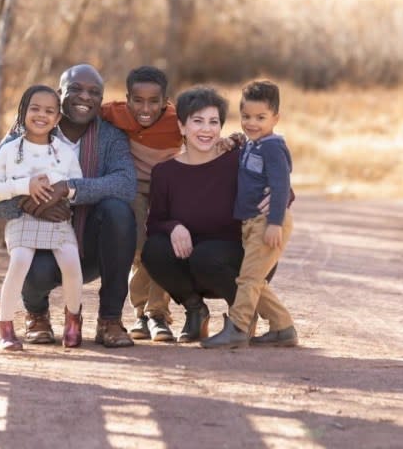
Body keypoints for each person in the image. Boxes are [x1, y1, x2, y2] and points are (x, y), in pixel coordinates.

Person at [0, 64, 137, 349]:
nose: (85, 97)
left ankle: (110, 320)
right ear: (60, 95)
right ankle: (36, 315)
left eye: (94, 92)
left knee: (118, 211)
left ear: (101, 100)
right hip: (38, 245)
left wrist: (69, 189)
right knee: (28, 264)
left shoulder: (110, 137)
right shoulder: (21, 137)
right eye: (75, 89)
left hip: (87, 245)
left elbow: (125, 185)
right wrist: (29, 203)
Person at [141, 86, 246, 343]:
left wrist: (274, 200)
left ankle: (243, 315)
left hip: (232, 260)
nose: (206, 130)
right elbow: (155, 223)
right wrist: (174, 226)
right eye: (197, 121)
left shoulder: (237, 161)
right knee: (153, 249)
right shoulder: (165, 173)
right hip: (188, 263)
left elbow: (280, 189)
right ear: (182, 127)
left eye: (213, 122)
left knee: (205, 256)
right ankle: (195, 311)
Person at [0, 85, 84, 352]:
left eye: (49, 111)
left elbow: (78, 184)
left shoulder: (64, 152)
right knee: (19, 261)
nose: (41, 115)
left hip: (57, 219)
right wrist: (23, 186)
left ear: (58, 118)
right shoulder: (9, 150)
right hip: (22, 219)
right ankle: (4, 326)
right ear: (23, 112)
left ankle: (73, 320)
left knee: (72, 263)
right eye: (35, 109)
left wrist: (63, 196)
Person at [201, 79, 297, 349]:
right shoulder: (251, 145)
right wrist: (234, 140)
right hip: (251, 223)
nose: (252, 123)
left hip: (267, 221)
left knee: (249, 278)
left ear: (275, 118)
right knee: (254, 278)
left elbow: (280, 185)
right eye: (246, 117)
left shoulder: (273, 147)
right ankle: (283, 328)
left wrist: (275, 222)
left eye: (260, 117)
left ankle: (238, 327)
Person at [101, 66, 182, 342]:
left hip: (167, 190)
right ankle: (139, 313)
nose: (145, 108)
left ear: (165, 101)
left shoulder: (177, 119)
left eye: (154, 101)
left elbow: (205, 134)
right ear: (127, 99)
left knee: (161, 246)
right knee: (138, 248)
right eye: (138, 100)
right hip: (133, 188)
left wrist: (231, 141)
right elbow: (79, 113)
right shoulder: (114, 112)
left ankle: (157, 314)